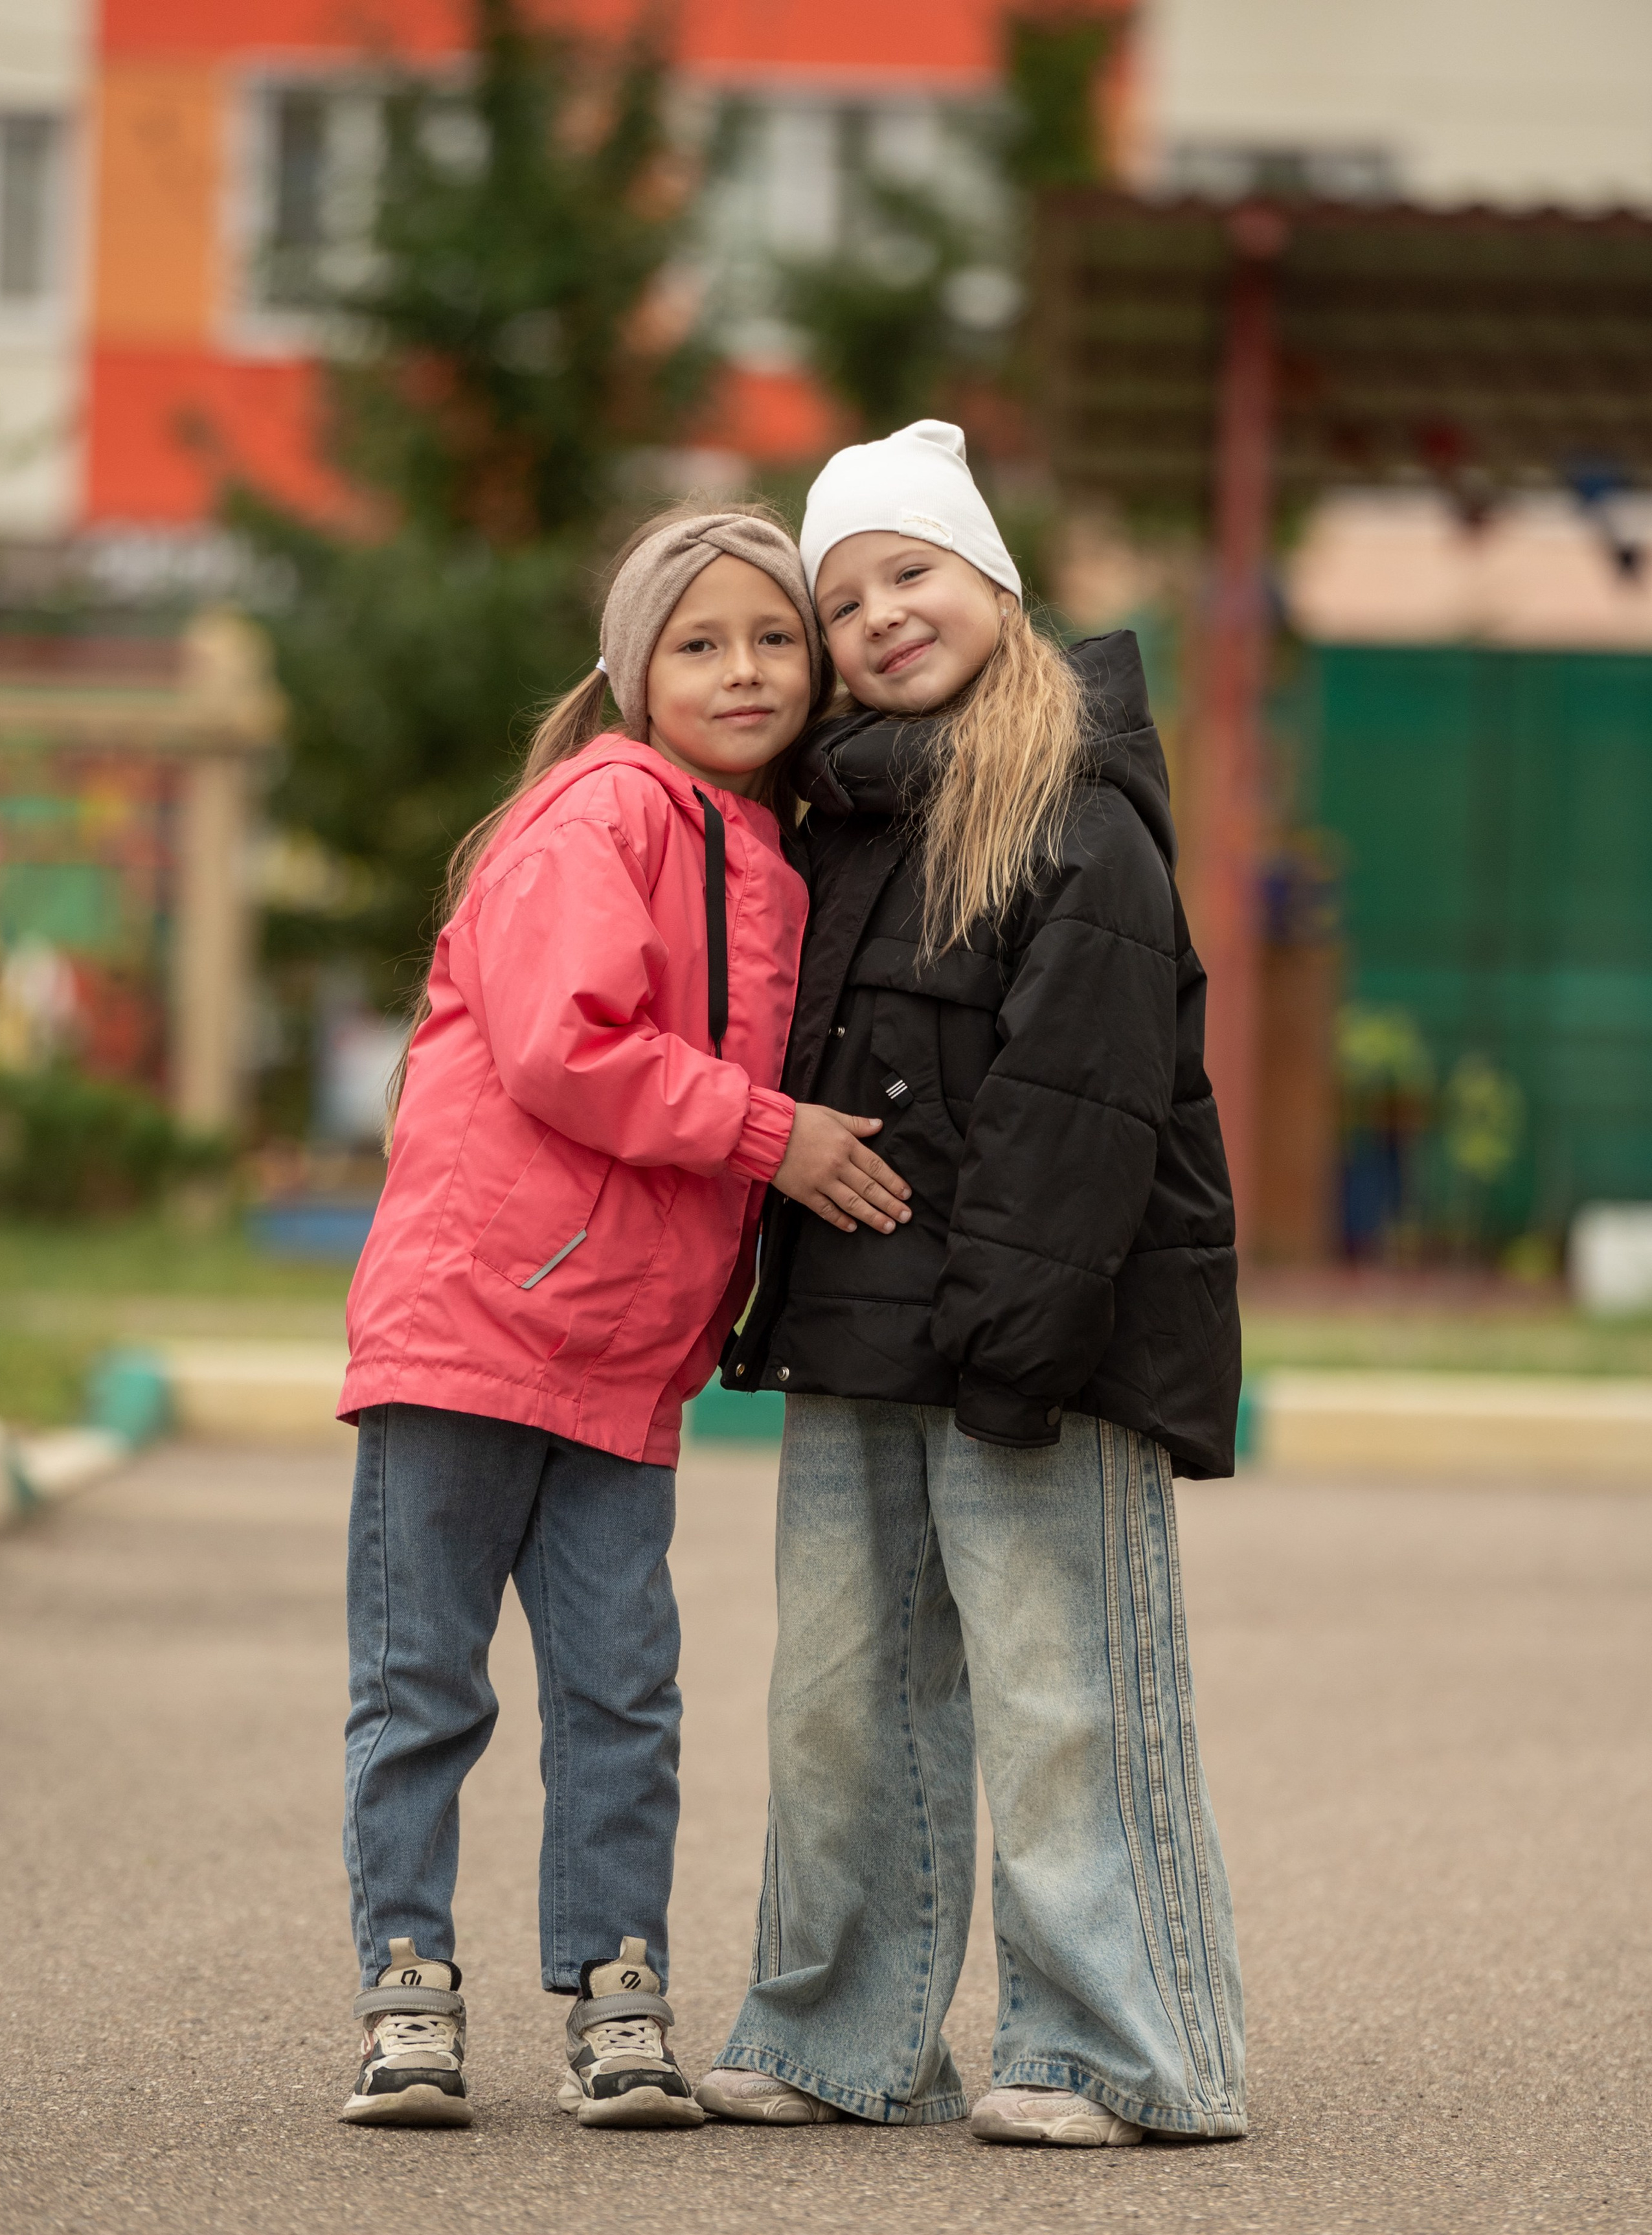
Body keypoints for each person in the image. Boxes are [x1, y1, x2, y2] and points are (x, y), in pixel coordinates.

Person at [698, 422, 1247, 2147]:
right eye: (844, 596)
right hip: (865, 1334)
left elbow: (1081, 1113)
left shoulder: (1080, 820)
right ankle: (840, 2033)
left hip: (1039, 1346)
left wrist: (1012, 1344)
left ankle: (1112, 2050)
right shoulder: (840, 823)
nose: (877, 617)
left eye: (911, 573)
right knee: (837, 1703)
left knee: (1056, 1699)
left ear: (995, 584)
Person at [335, 507, 912, 2132]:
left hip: (621, 1355)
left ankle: (615, 1986)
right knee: (423, 1675)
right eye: (699, 641)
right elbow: (561, 1046)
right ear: (630, 669)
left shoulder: (771, 849)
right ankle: (405, 1986)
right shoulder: (604, 810)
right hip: (474, 1317)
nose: (744, 668)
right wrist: (769, 1134)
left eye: (772, 638)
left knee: (621, 1689)